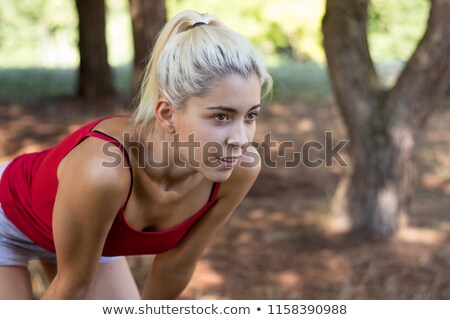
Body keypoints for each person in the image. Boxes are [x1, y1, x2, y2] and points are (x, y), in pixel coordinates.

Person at [0, 10, 272, 299]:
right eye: (221, 117)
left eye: (250, 116)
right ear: (167, 114)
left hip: (93, 237)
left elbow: (175, 266)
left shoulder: (240, 169)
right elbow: (72, 287)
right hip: (9, 222)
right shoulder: (103, 172)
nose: (240, 140)